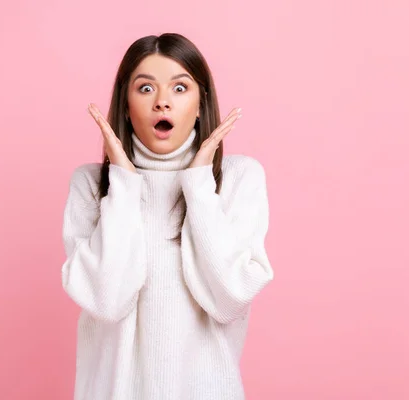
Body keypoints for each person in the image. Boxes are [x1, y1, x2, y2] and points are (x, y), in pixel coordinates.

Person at [60, 32, 274, 400]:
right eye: (145, 89)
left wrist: (198, 185)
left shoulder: (237, 178)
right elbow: (107, 300)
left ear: (200, 101)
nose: (162, 103)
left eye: (179, 88)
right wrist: (124, 184)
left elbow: (230, 299)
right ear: (125, 104)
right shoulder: (92, 186)